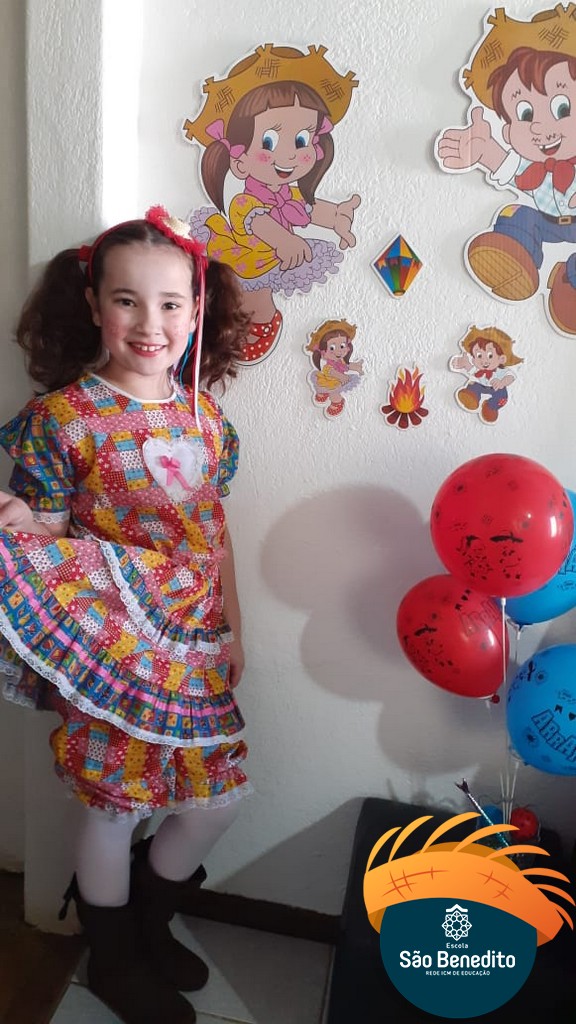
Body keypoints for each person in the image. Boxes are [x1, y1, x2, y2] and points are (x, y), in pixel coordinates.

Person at [0, 205, 251, 1024]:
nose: (150, 324)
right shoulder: (63, 419)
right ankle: (112, 959)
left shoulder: (207, 421)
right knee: (116, 805)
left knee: (216, 799)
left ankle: (146, 925)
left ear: (197, 309)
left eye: (170, 302)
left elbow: (215, 533)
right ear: (93, 304)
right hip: (110, 650)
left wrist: (233, 627)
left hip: (195, 642)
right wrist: (22, 524)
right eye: (127, 300)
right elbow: (47, 535)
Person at [185, 44, 361, 363]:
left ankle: (249, 324)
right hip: (244, 256)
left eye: (302, 140)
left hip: (268, 259)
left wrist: (336, 217)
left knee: (260, 297)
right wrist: (283, 240)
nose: (289, 154)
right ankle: (233, 326)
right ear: (240, 161)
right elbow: (258, 221)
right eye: (269, 141)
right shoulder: (243, 201)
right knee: (250, 295)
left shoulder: (288, 195)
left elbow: (308, 210)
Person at [436, 6, 576, 334]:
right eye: (525, 113)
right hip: (548, 222)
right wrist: (482, 151)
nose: (540, 127)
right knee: (515, 215)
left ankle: (568, 286)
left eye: (562, 107)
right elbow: (508, 165)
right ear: (508, 128)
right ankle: (516, 258)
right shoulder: (533, 168)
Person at [305, 319, 364, 417]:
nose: (339, 351)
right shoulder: (329, 366)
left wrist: (356, 367)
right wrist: (341, 377)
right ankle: (334, 400)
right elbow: (331, 372)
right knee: (329, 390)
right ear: (323, 352)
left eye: (342, 346)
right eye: (332, 348)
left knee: (332, 391)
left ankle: (334, 400)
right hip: (331, 381)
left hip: (336, 382)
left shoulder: (341, 362)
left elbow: (347, 366)